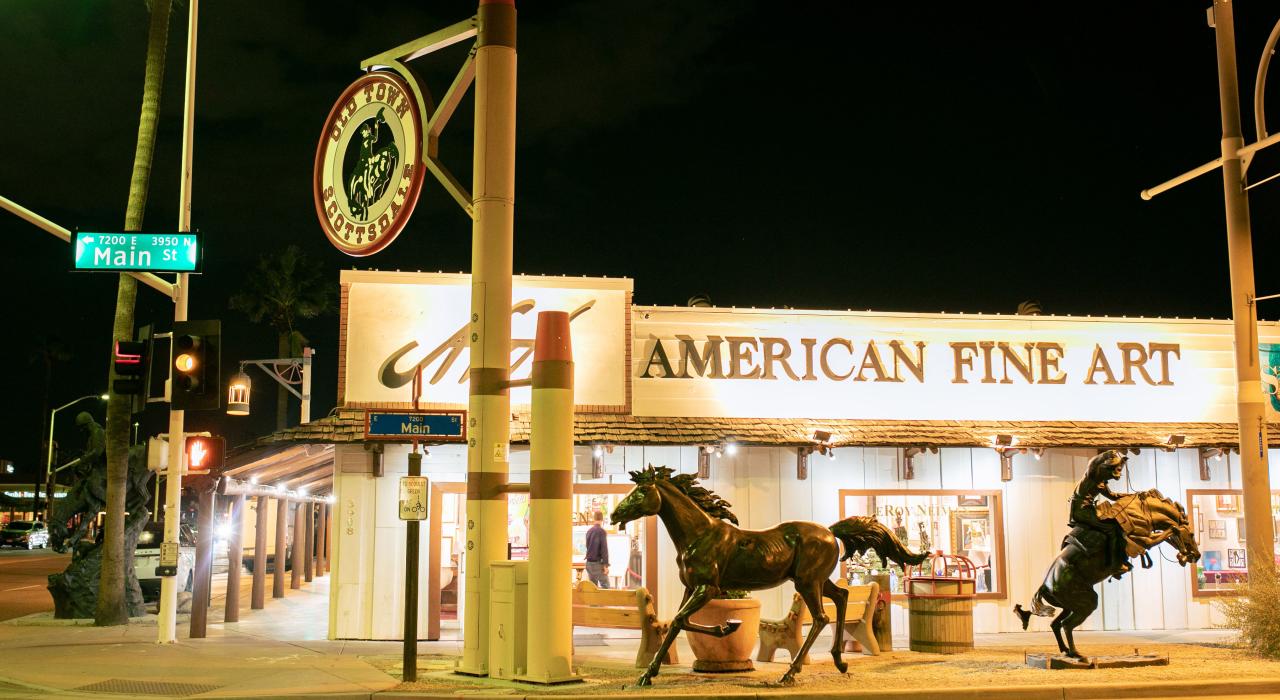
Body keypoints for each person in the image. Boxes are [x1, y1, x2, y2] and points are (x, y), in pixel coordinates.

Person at [1068, 450, 1142, 576]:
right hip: (1081, 510)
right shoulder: (1091, 475)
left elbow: (1113, 496)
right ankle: (1115, 565)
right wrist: (1108, 453)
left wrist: (1134, 495)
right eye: (1113, 472)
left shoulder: (1101, 482)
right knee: (1112, 529)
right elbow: (1093, 462)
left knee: (1114, 521)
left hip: (1088, 508)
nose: (1112, 477)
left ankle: (1118, 559)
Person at [584, 510, 610, 588]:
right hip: (597, 564)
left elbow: (587, 546)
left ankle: (593, 601)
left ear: (594, 519)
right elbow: (604, 550)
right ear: (602, 519)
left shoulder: (589, 531)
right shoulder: (602, 532)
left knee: (593, 588)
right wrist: (605, 565)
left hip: (588, 564)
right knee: (606, 586)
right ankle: (604, 601)